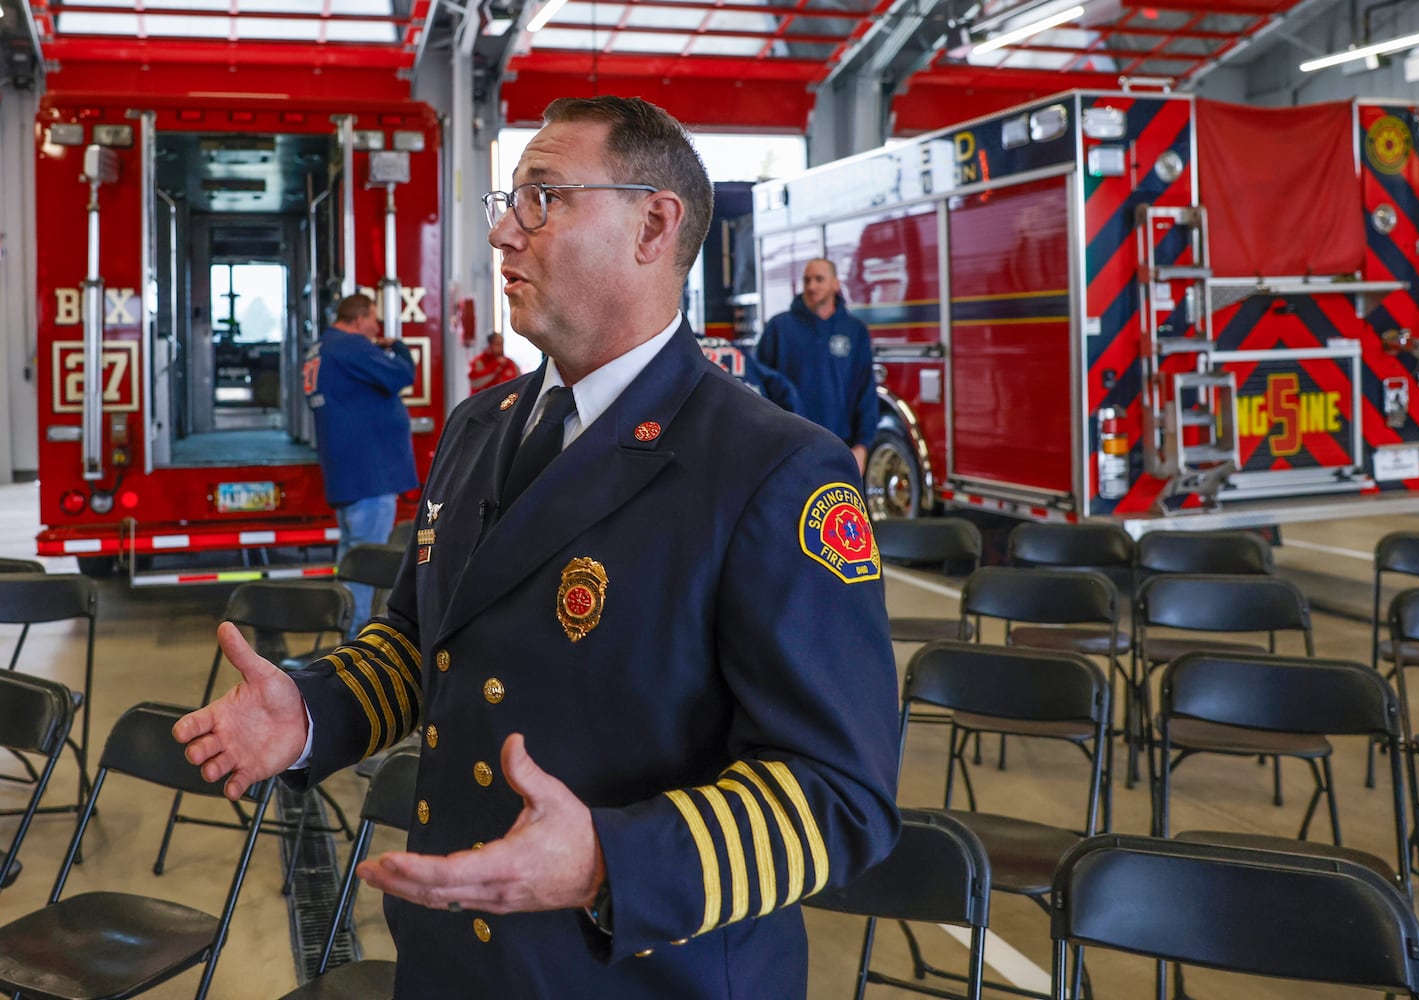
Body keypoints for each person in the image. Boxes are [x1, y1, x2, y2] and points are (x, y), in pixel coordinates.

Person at [178, 96, 900, 997]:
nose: (505, 236)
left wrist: (611, 859)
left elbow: (840, 795)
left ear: (653, 223)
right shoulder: (480, 427)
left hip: (631, 971)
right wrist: (315, 714)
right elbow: (420, 641)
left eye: (543, 198)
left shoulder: (775, 468)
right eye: (506, 204)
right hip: (452, 962)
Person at [302, 293, 419, 633]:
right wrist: (396, 346)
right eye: (373, 319)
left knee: (352, 563)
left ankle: (345, 639)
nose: (376, 328)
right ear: (358, 318)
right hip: (369, 476)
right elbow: (400, 375)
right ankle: (354, 650)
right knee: (366, 566)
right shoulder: (350, 346)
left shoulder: (322, 349)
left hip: (348, 476)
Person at [757, 257, 879, 474]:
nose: (812, 286)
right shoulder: (779, 328)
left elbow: (866, 391)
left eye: (819, 279)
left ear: (835, 284)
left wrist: (862, 446)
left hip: (840, 447)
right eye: (807, 280)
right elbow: (759, 389)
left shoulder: (855, 330)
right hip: (790, 449)